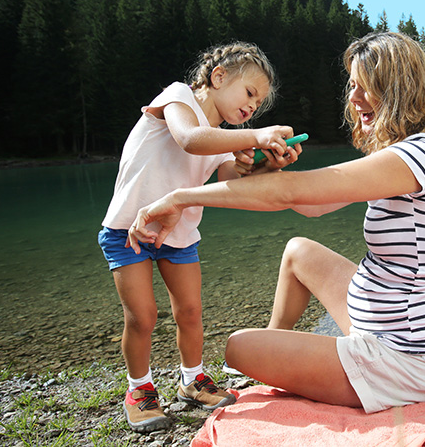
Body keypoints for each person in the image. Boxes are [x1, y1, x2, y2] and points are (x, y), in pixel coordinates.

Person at [127, 31, 425, 414]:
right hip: (390, 327)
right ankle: (280, 349)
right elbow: (309, 205)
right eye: (352, 85)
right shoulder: (418, 152)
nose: (353, 100)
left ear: (399, 89)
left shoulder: (415, 157)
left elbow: (290, 192)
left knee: (238, 347)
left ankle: (280, 356)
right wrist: (266, 172)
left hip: (406, 362)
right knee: (298, 252)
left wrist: (178, 197)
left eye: (366, 87)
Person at [98, 42, 302, 433]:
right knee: (142, 317)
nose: (252, 108)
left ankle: (192, 382)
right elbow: (190, 139)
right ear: (219, 76)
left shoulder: (224, 137)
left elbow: (231, 181)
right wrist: (255, 136)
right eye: (249, 94)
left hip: (180, 234)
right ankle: (139, 391)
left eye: (258, 105)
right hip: (128, 228)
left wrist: (267, 166)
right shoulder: (178, 98)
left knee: (190, 314)